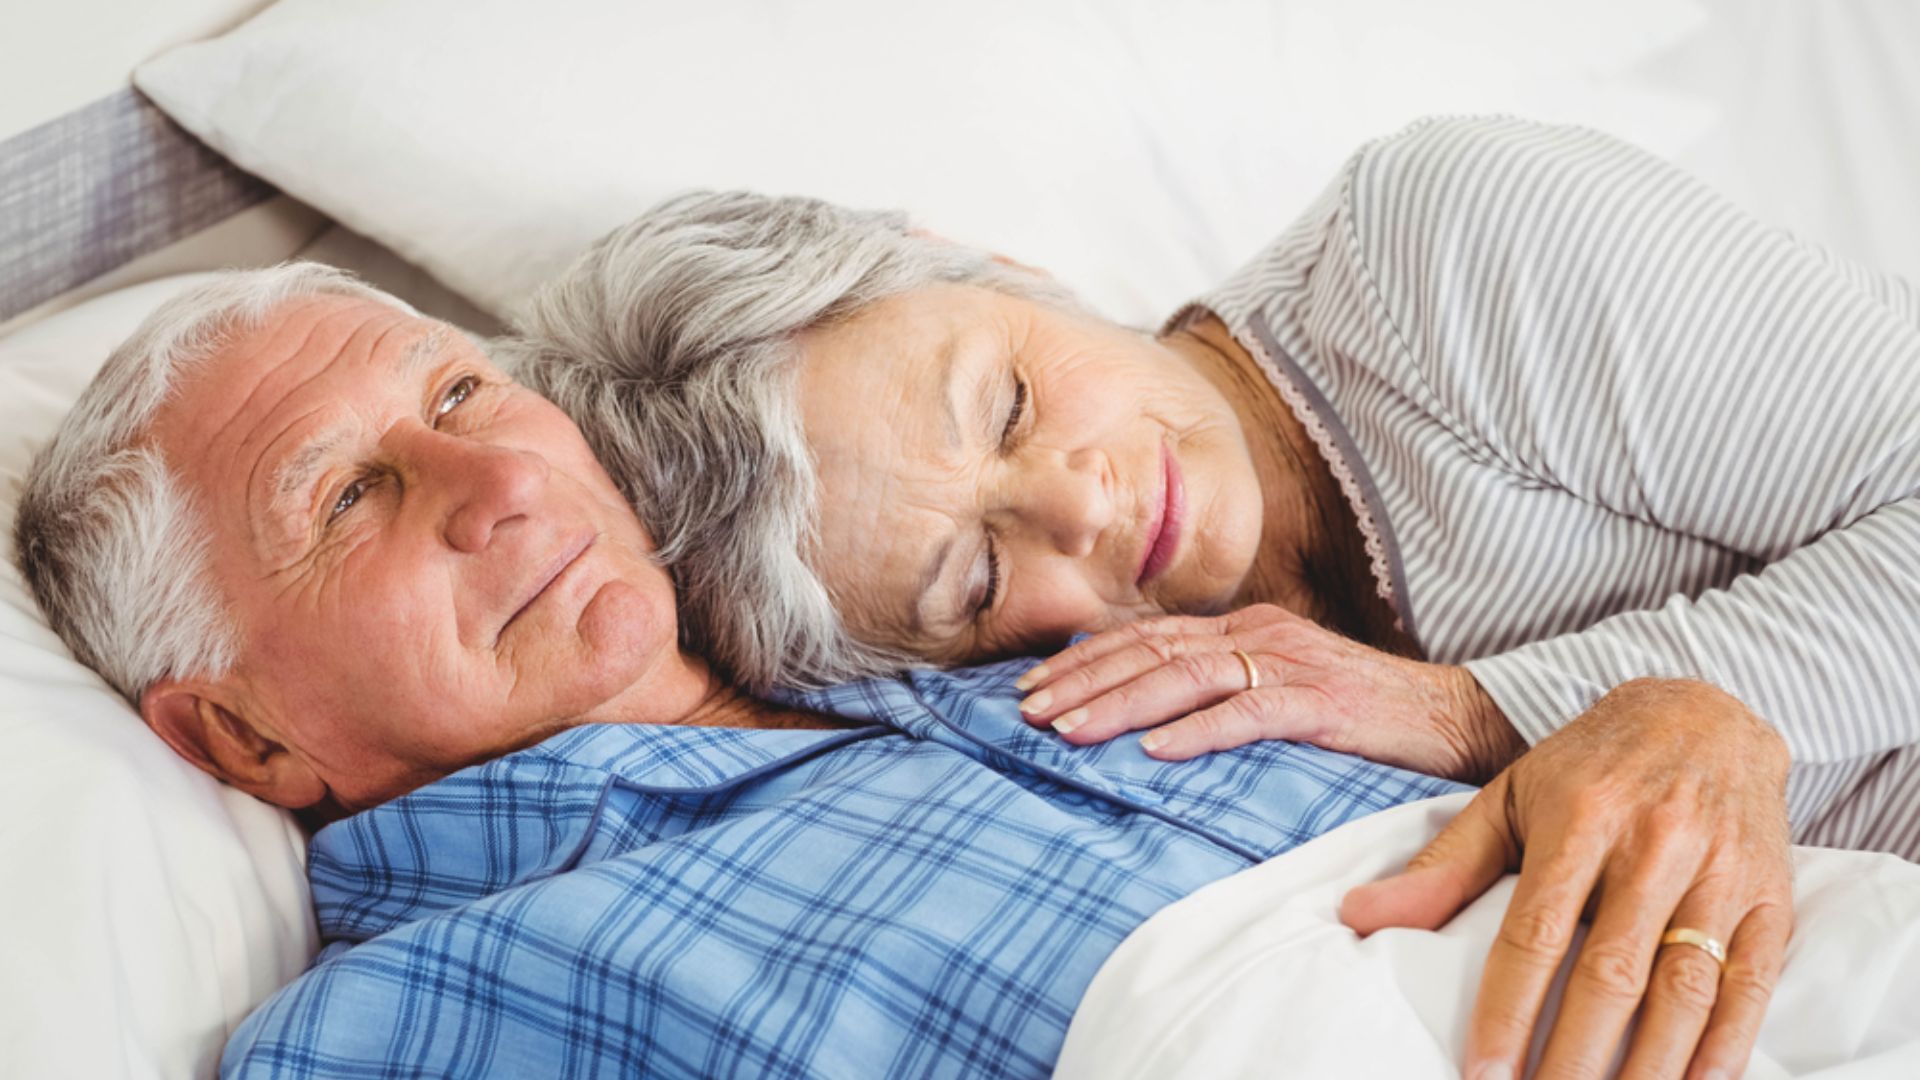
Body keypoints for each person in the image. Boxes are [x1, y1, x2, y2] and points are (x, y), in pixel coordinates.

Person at [506, 114, 1920, 1076]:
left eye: (1005, 399)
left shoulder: (1440, 247)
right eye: (984, 571)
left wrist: (1491, 709)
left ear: (1009, 271)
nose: (1080, 499)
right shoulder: (1122, 716)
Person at [6, 264, 1490, 1076]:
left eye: (465, 391)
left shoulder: (919, 621)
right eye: (344, 499)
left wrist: (1639, 734)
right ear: (248, 741)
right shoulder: (400, 1032)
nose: (498, 484)